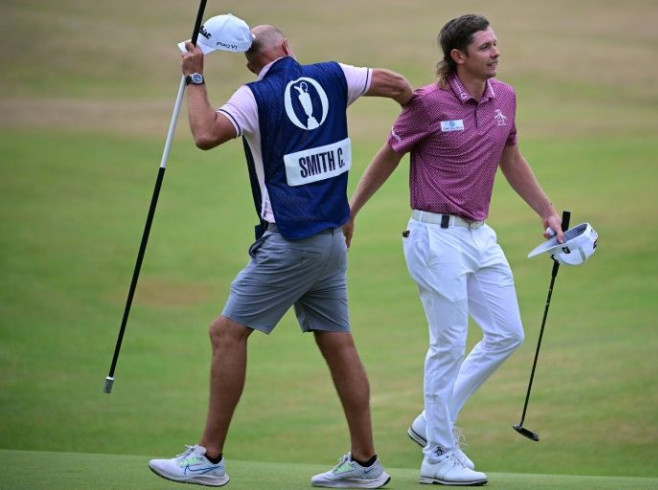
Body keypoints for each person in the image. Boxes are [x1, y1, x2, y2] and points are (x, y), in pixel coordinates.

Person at [148, 24, 413, 489]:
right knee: (338, 344)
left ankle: (209, 458)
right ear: (288, 48)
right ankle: (366, 463)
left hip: (291, 242)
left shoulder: (255, 96)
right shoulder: (333, 75)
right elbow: (392, 82)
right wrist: (414, 105)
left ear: (252, 61)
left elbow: (206, 134)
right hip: (333, 239)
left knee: (225, 334)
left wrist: (194, 76)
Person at [343, 14, 564, 486]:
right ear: (458, 56)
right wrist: (351, 211)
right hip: (433, 236)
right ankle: (438, 454)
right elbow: (389, 154)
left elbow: (511, 156)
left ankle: (430, 422)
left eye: (496, 44)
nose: (496, 53)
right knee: (447, 342)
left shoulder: (505, 97)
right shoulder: (426, 102)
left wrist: (545, 210)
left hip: (479, 235)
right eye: (485, 47)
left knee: (507, 333)